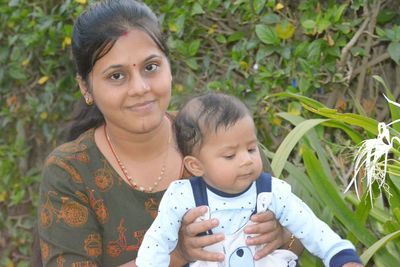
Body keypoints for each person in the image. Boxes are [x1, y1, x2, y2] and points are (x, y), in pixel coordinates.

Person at [36, 1, 304, 266]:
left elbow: (301, 235)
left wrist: (279, 234)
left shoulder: (218, 137)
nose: (140, 87)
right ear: (86, 87)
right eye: (116, 76)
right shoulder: (71, 172)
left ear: (169, 67)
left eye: (150, 67)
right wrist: (177, 254)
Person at [136, 92, 364, 267]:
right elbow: (156, 242)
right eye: (230, 155)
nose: (246, 160)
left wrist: (341, 256)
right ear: (195, 165)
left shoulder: (271, 191)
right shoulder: (184, 196)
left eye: (251, 148)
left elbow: (311, 228)